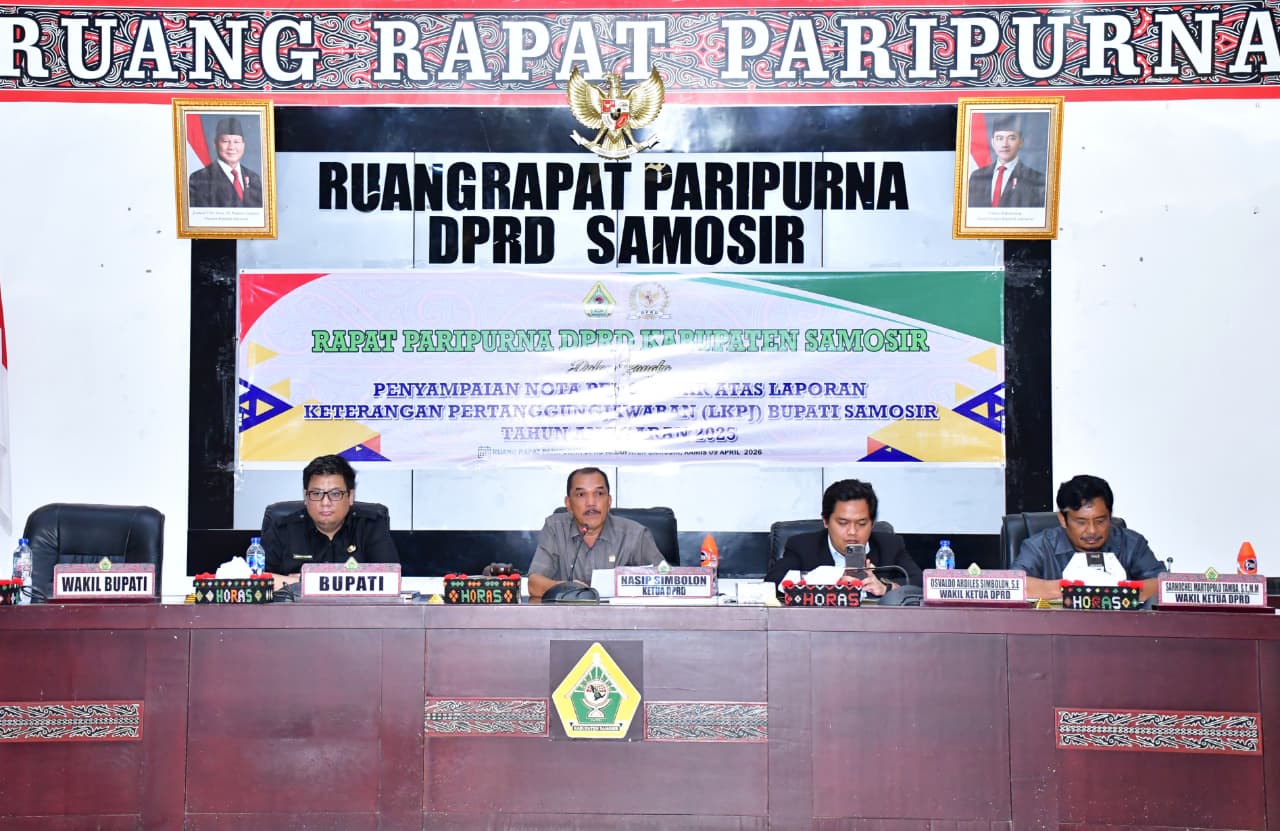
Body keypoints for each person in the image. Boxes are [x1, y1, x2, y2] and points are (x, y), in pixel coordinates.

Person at [1014, 474, 1165, 600]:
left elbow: (1163, 585)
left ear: (1110, 516)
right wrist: (1075, 590)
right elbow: (1015, 585)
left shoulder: (1132, 544)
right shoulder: (1039, 547)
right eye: (1081, 522)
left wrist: (1117, 592)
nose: (1092, 531)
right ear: (1062, 519)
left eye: (1100, 521)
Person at [764, 478, 922, 596]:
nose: (852, 531)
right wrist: (832, 582)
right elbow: (772, 582)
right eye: (843, 523)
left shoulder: (889, 546)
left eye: (861, 523)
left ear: (872, 523)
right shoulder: (803, 546)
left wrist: (886, 587)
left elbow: (921, 584)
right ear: (826, 521)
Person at [261, 454, 398, 585]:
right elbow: (260, 580)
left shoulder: (370, 526)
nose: (325, 502)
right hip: (294, 603)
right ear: (306, 497)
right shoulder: (282, 529)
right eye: (316, 493)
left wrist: (306, 582)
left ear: (350, 496)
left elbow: (390, 580)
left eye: (335, 494)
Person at [527, 467, 665, 598]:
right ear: (568, 504)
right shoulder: (555, 529)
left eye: (599, 494)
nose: (591, 503)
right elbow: (534, 584)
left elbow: (666, 579)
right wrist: (570, 589)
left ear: (609, 501)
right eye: (581, 494)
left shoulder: (635, 535)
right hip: (567, 614)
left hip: (622, 614)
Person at [967, 115, 1046, 209]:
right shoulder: (977, 177)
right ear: (993, 142)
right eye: (999, 138)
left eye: (1011, 138)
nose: (1005, 144)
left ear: (1021, 142)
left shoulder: (1036, 179)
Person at [188, 117, 264, 208]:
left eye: (236, 142)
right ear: (215, 144)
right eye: (225, 141)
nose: (231, 147)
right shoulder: (199, 178)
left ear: (243, 145)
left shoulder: (253, 178)